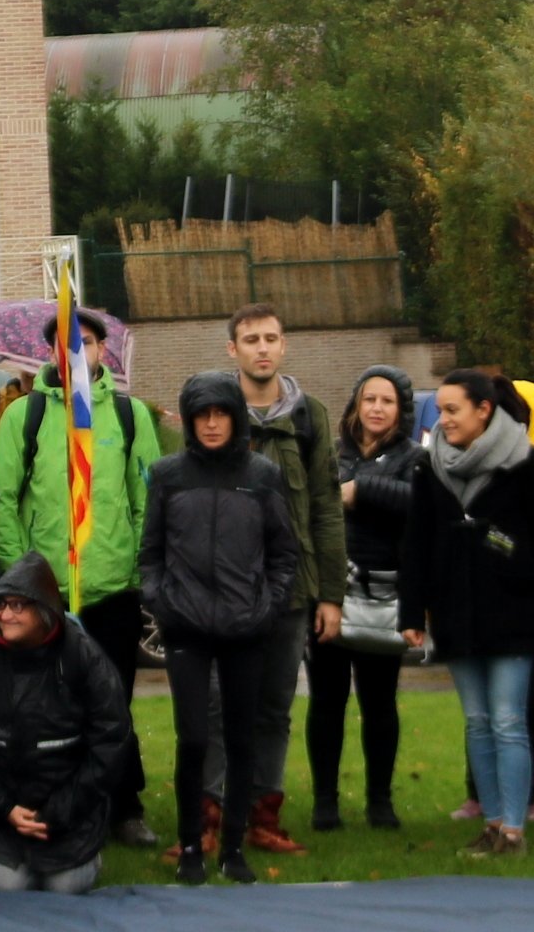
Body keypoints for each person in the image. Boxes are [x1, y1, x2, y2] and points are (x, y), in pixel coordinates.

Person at [0, 305, 165, 845]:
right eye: (67, 342)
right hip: (46, 598)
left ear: (103, 350)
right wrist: (25, 577)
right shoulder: (24, 417)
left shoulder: (130, 417)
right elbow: (1, 502)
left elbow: (146, 500)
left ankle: (122, 806)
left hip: (111, 592)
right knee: (47, 708)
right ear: (51, 353)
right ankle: (51, 803)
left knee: (114, 705)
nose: (78, 352)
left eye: (87, 342)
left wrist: (132, 570)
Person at [402, 367, 534, 860]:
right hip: (455, 611)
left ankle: (515, 833)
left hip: (512, 609)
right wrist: (412, 613)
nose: (443, 419)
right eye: (440, 410)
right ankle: (493, 823)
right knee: (477, 721)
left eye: (452, 409)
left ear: (484, 410)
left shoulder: (523, 462)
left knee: (507, 719)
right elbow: (416, 541)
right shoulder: (429, 463)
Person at [140, 369, 306, 882]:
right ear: (189, 421)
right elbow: (150, 554)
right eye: (202, 415)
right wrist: (162, 601)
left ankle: (233, 846)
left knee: (241, 739)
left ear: (235, 417)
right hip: (186, 628)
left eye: (221, 414)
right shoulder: (168, 475)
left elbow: (284, 552)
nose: (212, 424)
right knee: (192, 738)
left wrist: (267, 605)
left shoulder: (261, 475)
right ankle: (191, 843)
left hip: (245, 628)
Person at [217, 305, 346, 851]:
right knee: (221, 707)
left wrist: (331, 595)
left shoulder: (310, 416)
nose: (262, 348)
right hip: (224, 594)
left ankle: (264, 816)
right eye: (251, 340)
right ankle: (216, 815)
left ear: (284, 345)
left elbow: (325, 508)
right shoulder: (214, 412)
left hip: (291, 594)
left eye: (271, 338)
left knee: (274, 710)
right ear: (233, 350)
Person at [0, 555, 133, 894]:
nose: (5, 615)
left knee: (67, 887)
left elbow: (111, 741)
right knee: (7, 889)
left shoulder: (84, 656)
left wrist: (60, 811)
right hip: (2, 813)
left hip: (71, 814)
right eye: (1, 604)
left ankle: (89, 857)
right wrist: (3, 807)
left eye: (18, 606)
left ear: (44, 611)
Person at [315, 367, 416, 831]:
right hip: (332, 595)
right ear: (355, 404)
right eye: (369, 399)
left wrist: (361, 490)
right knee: (327, 702)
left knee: (379, 704)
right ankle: (325, 802)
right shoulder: (330, 455)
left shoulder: (415, 458)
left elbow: (419, 502)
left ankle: (381, 800)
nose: (376, 408)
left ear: (401, 409)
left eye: (387, 401)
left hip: (384, 597)